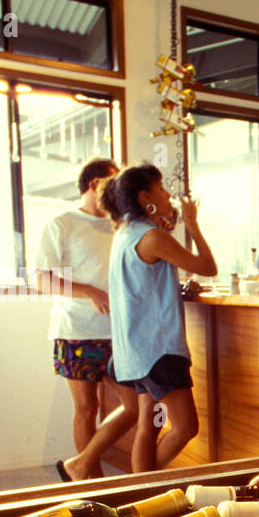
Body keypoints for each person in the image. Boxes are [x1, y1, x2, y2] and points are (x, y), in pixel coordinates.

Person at [96, 164, 217, 473]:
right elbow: (207, 266)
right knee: (185, 427)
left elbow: (142, 285)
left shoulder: (125, 233)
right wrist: (192, 224)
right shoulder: (152, 237)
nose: (166, 195)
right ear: (144, 196)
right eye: (160, 188)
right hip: (160, 352)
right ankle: (148, 486)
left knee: (150, 427)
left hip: (138, 353)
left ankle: (139, 493)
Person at [35, 157, 138, 482]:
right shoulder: (62, 223)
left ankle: (79, 464)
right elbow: (40, 279)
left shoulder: (120, 224)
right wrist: (89, 291)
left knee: (135, 406)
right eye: (113, 184)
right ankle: (90, 483)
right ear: (94, 185)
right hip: (77, 331)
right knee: (86, 408)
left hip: (119, 332)